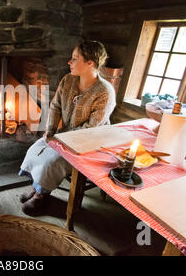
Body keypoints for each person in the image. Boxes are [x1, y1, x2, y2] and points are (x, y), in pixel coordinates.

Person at [18, 40, 116, 216]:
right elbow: (55, 106)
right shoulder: (68, 80)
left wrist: (60, 140)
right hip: (64, 134)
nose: (69, 62)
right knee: (36, 149)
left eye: (74, 59)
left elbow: (91, 128)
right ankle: (37, 187)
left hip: (88, 143)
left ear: (90, 63)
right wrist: (51, 130)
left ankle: (41, 196)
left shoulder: (104, 92)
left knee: (51, 162)